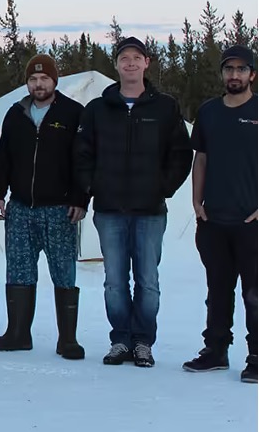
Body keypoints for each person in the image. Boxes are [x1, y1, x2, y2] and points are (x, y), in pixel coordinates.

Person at [74, 36, 192, 367]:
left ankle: (143, 341)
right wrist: (91, 187)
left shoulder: (165, 107)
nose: (130, 63)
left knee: (147, 281)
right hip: (110, 209)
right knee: (114, 281)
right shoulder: (98, 109)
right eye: (124, 58)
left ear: (146, 63)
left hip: (150, 210)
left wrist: (162, 188)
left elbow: (180, 154)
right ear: (116, 65)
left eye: (136, 57)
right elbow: (82, 154)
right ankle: (121, 340)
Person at [0, 54, 87, 359]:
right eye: (33, 79)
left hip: (59, 208)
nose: (38, 84)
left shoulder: (73, 113)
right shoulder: (16, 114)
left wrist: (81, 199)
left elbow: (82, 161)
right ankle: (17, 333)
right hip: (20, 208)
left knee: (63, 272)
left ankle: (67, 339)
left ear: (55, 81)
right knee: (18, 270)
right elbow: (3, 156)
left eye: (44, 79)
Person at [182, 45, 257, 383]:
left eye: (242, 69)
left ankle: (256, 355)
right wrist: (197, 203)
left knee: (254, 291)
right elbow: (201, 158)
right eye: (230, 69)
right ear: (223, 74)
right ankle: (216, 350)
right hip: (213, 219)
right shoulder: (209, 112)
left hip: (251, 220)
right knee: (218, 288)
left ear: (252, 74)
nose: (235, 75)